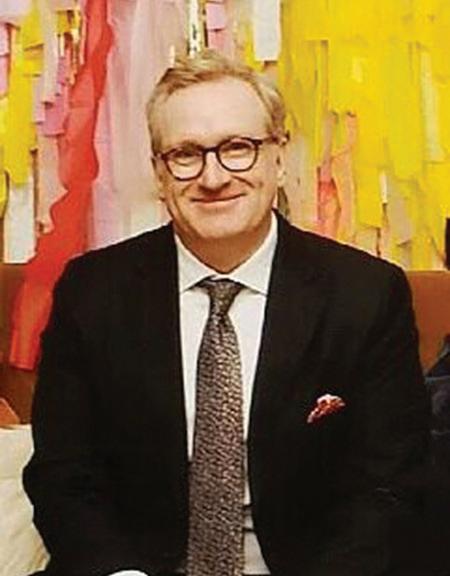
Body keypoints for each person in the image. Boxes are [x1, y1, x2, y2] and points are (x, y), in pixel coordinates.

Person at [24, 50, 430, 576]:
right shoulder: (92, 292)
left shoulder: (365, 294)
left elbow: (390, 486)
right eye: (186, 154)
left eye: (238, 148)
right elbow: (64, 474)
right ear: (160, 173)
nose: (213, 177)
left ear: (278, 157)